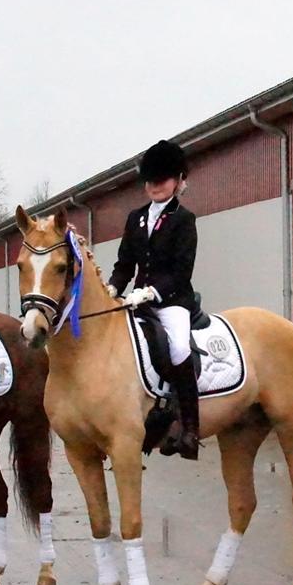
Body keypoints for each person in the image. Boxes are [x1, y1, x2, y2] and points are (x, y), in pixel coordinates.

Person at [108, 139, 200, 460]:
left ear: (177, 181)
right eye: (150, 181)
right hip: (137, 300)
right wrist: (112, 290)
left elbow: (181, 270)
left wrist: (151, 291)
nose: (155, 186)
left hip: (172, 300)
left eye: (161, 180)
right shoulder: (136, 218)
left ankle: (189, 426)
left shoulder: (183, 219)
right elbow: (124, 265)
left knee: (178, 345)